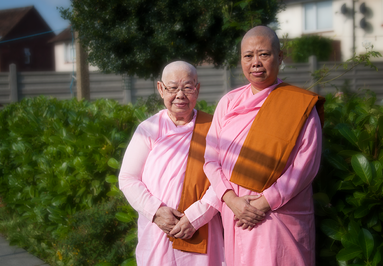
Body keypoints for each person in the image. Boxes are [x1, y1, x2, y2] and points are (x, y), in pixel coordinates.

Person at [203, 26, 325, 266]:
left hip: (279, 214)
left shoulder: (299, 105)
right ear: (241, 60)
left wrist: (263, 203)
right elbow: (210, 159)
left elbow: (305, 165)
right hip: (236, 212)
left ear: (279, 57)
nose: (255, 63)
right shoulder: (228, 102)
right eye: (248, 56)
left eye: (264, 54)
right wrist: (231, 200)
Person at [119, 61, 225, 266]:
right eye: (173, 88)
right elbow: (128, 178)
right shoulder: (148, 128)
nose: (180, 95)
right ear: (160, 89)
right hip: (159, 229)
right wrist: (156, 211)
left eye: (187, 87)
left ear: (198, 89)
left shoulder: (213, 128)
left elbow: (224, 177)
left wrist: (197, 216)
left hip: (203, 228)